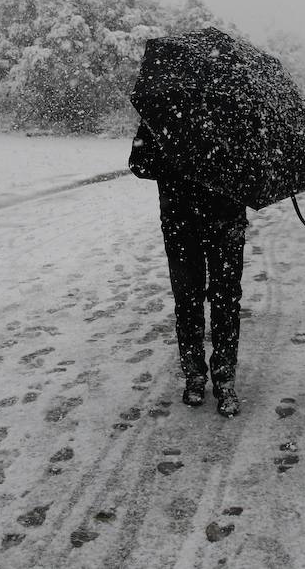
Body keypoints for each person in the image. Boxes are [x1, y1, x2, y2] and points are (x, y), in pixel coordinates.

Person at [129, 120, 248, 417]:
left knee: (226, 301)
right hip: (182, 223)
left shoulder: (236, 116)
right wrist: (175, 162)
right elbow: (139, 163)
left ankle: (224, 377)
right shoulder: (165, 113)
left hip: (226, 222)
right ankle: (194, 374)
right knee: (187, 300)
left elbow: (253, 169)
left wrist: (224, 163)